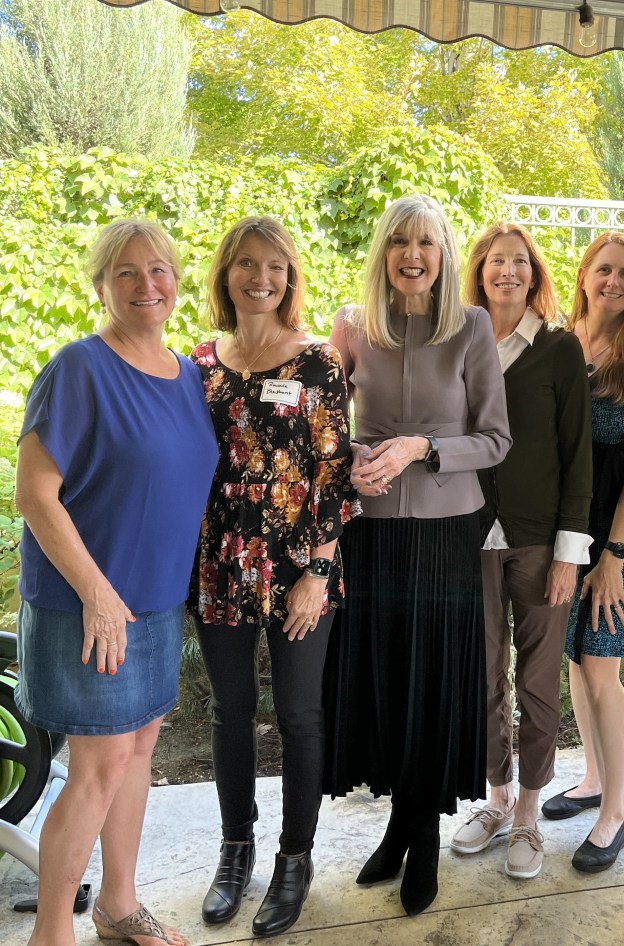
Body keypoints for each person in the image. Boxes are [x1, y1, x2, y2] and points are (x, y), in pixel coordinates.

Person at [14, 219, 218, 946]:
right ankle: (51, 933)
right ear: (101, 286)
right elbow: (35, 494)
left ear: (177, 282)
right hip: (87, 605)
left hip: (156, 603)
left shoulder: (187, 375)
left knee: (135, 758)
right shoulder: (79, 368)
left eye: (158, 269)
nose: (145, 284)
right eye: (126, 272)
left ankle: (119, 906)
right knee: (97, 768)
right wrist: (98, 595)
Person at [323, 195, 511, 916]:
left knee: (432, 683)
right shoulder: (352, 326)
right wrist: (352, 456)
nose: (412, 255)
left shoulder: (471, 326)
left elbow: (495, 439)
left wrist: (422, 447)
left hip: (445, 532)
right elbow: (321, 425)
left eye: (426, 243)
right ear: (384, 252)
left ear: (443, 254)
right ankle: (399, 825)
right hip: (369, 534)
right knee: (388, 681)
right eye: (400, 241)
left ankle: (422, 835)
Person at [191, 217, 359, 938]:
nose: (261, 278)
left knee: (298, 714)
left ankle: (296, 858)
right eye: (246, 264)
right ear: (225, 274)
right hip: (221, 563)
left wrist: (317, 571)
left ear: (290, 277)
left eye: (275, 266)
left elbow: (336, 474)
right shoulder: (200, 363)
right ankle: (236, 850)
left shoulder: (318, 362)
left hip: (299, 567)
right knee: (230, 711)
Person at [448, 222, 591, 879]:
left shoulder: (559, 348)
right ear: (479, 272)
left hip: (539, 541)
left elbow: (577, 456)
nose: (507, 271)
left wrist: (569, 553)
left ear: (534, 275)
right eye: (496, 261)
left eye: (519, 262)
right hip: (470, 535)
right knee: (480, 676)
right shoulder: (456, 343)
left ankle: (530, 811)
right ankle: (498, 798)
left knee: (536, 683)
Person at [540, 232, 624, 873]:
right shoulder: (562, 343)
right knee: (575, 657)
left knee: (601, 665)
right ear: (584, 276)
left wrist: (614, 557)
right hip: (568, 523)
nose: (612, 282)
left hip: (620, 528)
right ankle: (592, 778)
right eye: (603, 270)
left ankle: (615, 812)